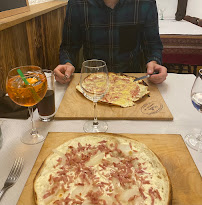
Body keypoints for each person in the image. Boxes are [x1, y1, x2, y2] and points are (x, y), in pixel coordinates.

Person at [54, 0, 167, 84]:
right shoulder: (77, 3)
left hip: (132, 80)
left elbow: (153, 45)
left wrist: (154, 62)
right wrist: (67, 64)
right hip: (91, 82)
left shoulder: (145, 2)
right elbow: (69, 47)